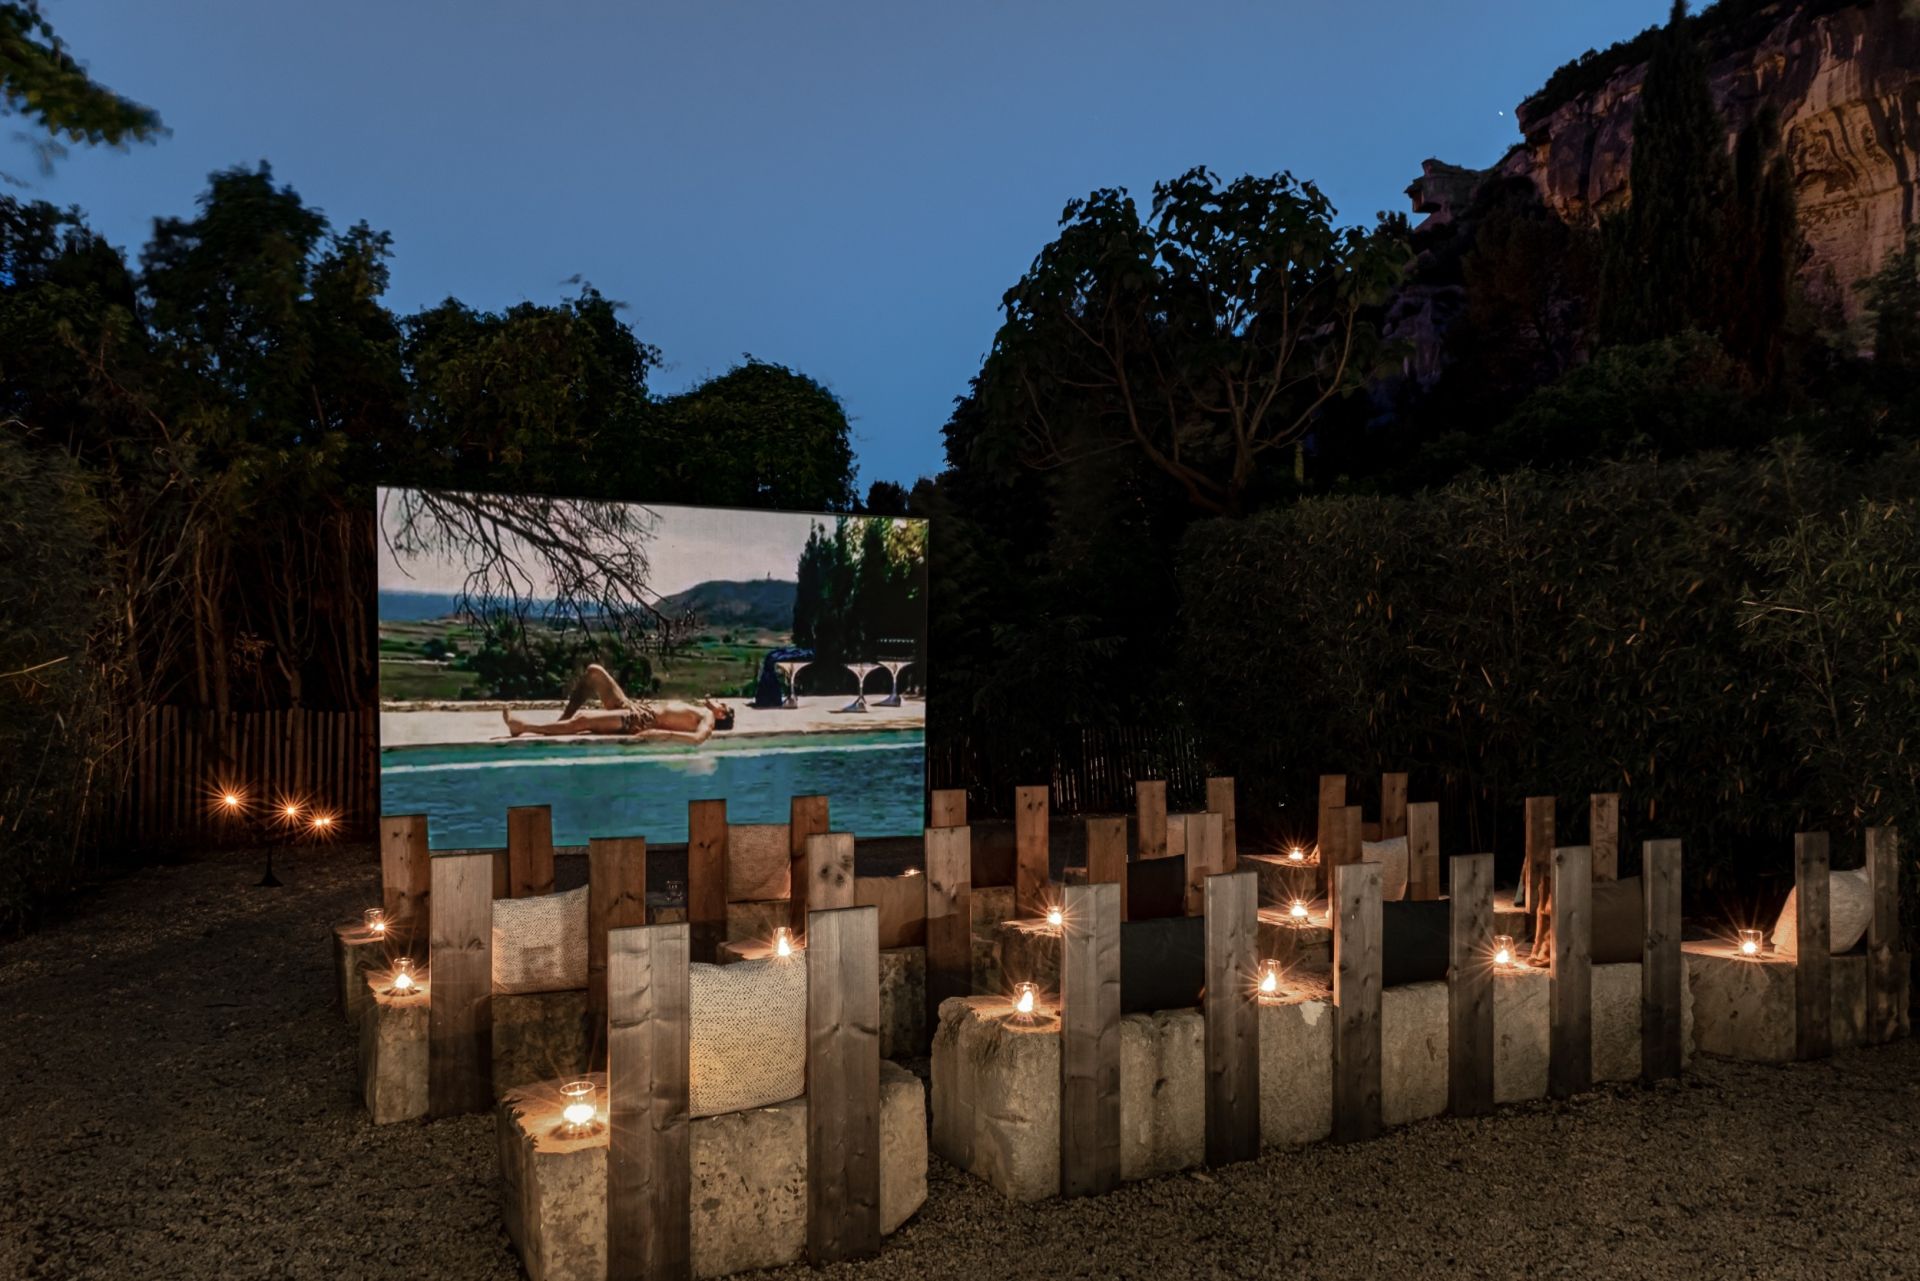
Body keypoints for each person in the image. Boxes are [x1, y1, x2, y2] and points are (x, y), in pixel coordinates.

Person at [502, 663, 736, 743]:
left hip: (640, 721)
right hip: (636, 709)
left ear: (722, 714)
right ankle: (562, 723)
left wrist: (658, 734)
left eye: (720, 704)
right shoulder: (700, 710)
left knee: (583, 720)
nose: (715, 702)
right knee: (594, 672)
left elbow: (697, 739)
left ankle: (523, 727)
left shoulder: (708, 719)